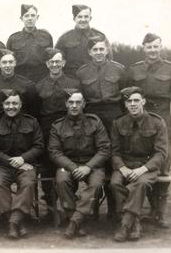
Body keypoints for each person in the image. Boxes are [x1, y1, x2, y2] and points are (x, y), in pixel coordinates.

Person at [128, 33, 171, 228]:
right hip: (140, 122)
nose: (152, 50)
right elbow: (128, 98)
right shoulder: (134, 69)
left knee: (163, 167)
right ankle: (147, 208)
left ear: (160, 47)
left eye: (155, 46)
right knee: (142, 162)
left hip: (163, 121)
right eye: (149, 47)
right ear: (143, 48)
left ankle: (159, 213)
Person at [48, 89, 111, 238]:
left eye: (78, 102)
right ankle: (74, 218)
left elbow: (104, 148)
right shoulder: (57, 125)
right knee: (62, 180)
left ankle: (74, 222)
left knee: (96, 185)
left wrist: (88, 167)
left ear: (84, 103)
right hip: (69, 165)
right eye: (71, 102)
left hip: (92, 165)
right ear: (66, 104)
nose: (74, 106)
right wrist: (74, 168)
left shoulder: (94, 122)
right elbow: (54, 152)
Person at [109, 86, 169, 242]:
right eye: (129, 101)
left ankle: (125, 226)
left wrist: (143, 169)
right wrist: (122, 167)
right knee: (115, 183)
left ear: (143, 101)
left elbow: (161, 153)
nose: (133, 104)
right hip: (125, 164)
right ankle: (134, 222)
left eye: (136, 100)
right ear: (125, 104)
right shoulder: (118, 122)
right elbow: (114, 151)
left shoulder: (157, 122)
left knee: (140, 184)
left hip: (147, 165)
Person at [0, 90, 44, 239]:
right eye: (7, 103)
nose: (11, 106)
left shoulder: (32, 122)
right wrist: (14, 162)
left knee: (28, 183)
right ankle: (18, 222)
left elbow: (39, 146)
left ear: (20, 104)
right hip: (3, 166)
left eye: (14, 103)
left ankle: (13, 222)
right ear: (2, 105)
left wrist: (23, 159)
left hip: (26, 165)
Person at [35, 48, 80, 214]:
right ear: (47, 64)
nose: (55, 65)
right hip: (46, 129)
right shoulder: (39, 86)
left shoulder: (74, 84)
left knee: (68, 163)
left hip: (68, 128)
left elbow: (79, 107)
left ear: (64, 63)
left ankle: (70, 200)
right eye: (52, 62)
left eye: (58, 61)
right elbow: (36, 111)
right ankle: (50, 205)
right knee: (47, 166)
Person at [76, 35, 126, 132]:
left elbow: (124, 94)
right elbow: (80, 97)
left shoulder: (119, 69)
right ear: (89, 52)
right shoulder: (81, 72)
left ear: (107, 50)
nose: (98, 52)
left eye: (101, 49)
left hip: (113, 111)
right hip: (91, 112)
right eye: (95, 50)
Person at [56, 5, 109, 77]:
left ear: (90, 18)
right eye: (80, 17)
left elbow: (108, 59)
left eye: (86, 16)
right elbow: (57, 60)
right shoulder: (64, 38)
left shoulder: (100, 36)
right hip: (72, 80)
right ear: (74, 19)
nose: (83, 19)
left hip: (94, 79)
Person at [0, 49, 37, 123]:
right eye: (4, 62)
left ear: (15, 63)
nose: (8, 65)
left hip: (22, 126)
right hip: (0, 127)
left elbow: (33, 111)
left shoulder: (28, 85)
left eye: (10, 62)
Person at [6, 4, 53, 83]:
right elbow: (8, 60)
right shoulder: (13, 38)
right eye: (26, 16)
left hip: (42, 78)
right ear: (21, 18)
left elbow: (50, 58)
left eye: (32, 15)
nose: (30, 18)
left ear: (37, 17)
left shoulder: (46, 36)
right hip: (20, 78)